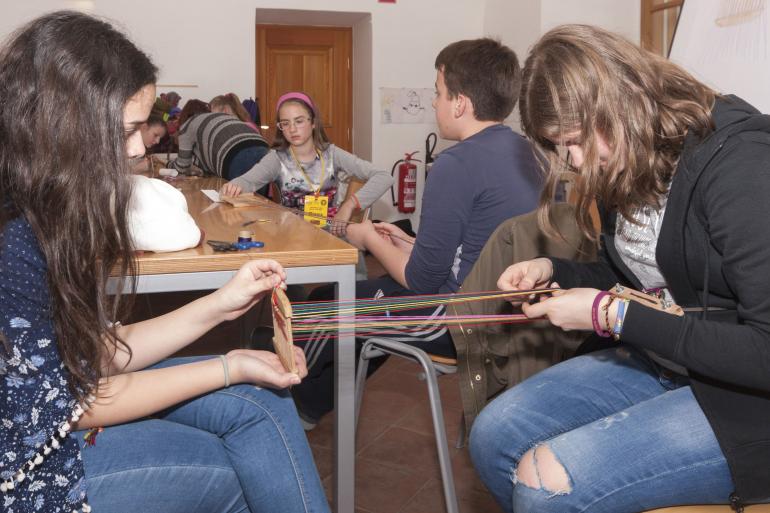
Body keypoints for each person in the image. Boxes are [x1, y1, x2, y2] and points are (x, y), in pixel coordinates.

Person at [0, 11, 330, 513]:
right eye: (129, 128)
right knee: (241, 470)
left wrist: (222, 304)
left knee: (261, 403)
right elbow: (78, 403)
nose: (138, 148)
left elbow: (97, 354)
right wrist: (228, 365)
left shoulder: (45, 213)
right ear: (68, 123)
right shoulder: (17, 239)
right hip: (26, 475)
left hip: (57, 423)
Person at [469, 24, 770, 513]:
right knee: (495, 435)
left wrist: (612, 316)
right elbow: (635, 279)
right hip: (669, 360)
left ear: (623, 101)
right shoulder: (628, 158)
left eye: (576, 140)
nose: (576, 161)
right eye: (560, 146)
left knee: (545, 484)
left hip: (747, 401)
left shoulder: (743, 166)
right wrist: (554, 271)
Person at [289, 38, 543, 427]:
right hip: (507, 312)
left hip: (457, 319)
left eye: (438, 93)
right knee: (351, 298)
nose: (433, 103)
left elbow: (422, 280)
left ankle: (283, 404)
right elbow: (478, 242)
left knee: (321, 309)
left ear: (461, 103)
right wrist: (410, 241)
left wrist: (369, 238)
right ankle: (309, 403)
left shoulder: (455, 163)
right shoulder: (530, 153)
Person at [219, 92, 393, 237]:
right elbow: (247, 181)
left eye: (299, 121)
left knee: (357, 259)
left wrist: (349, 205)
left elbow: (384, 177)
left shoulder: (333, 154)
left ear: (313, 122)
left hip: (332, 235)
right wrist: (235, 185)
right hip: (291, 236)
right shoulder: (276, 159)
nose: (292, 129)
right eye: (285, 124)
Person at [170, 101, 270, 181]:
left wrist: (168, 164)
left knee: (241, 202)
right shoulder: (217, 117)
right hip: (263, 147)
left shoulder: (187, 126)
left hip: (236, 155)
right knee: (260, 200)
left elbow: (182, 166)